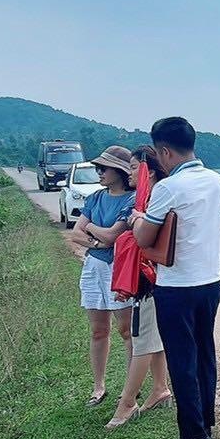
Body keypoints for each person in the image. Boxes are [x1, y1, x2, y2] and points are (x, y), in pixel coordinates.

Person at [131, 117, 220, 439]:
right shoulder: (219, 182)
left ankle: (193, 437)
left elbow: (144, 238)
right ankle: (205, 423)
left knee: (182, 360)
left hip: (176, 288)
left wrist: (136, 219)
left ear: (164, 151)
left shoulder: (168, 188)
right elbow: (218, 226)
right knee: (204, 355)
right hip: (210, 283)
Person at [105, 145, 173, 429]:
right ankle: (160, 388)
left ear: (148, 170)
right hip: (154, 278)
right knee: (152, 337)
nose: (129, 173)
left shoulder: (155, 199)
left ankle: (127, 402)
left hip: (151, 279)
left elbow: (145, 238)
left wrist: (137, 220)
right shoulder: (151, 197)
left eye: (133, 167)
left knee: (142, 340)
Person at [69, 145, 137, 408]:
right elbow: (76, 234)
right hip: (94, 267)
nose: (99, 172)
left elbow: (112, 237)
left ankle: (130, 387)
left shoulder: (132, 200)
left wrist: (91, 228)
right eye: (98, 168)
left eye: (103, 168)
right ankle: (98, 387)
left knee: (126, 330)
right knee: (98, 331)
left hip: (119, 268)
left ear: (119, 171)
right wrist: (98, 240)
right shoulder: (96, 197)